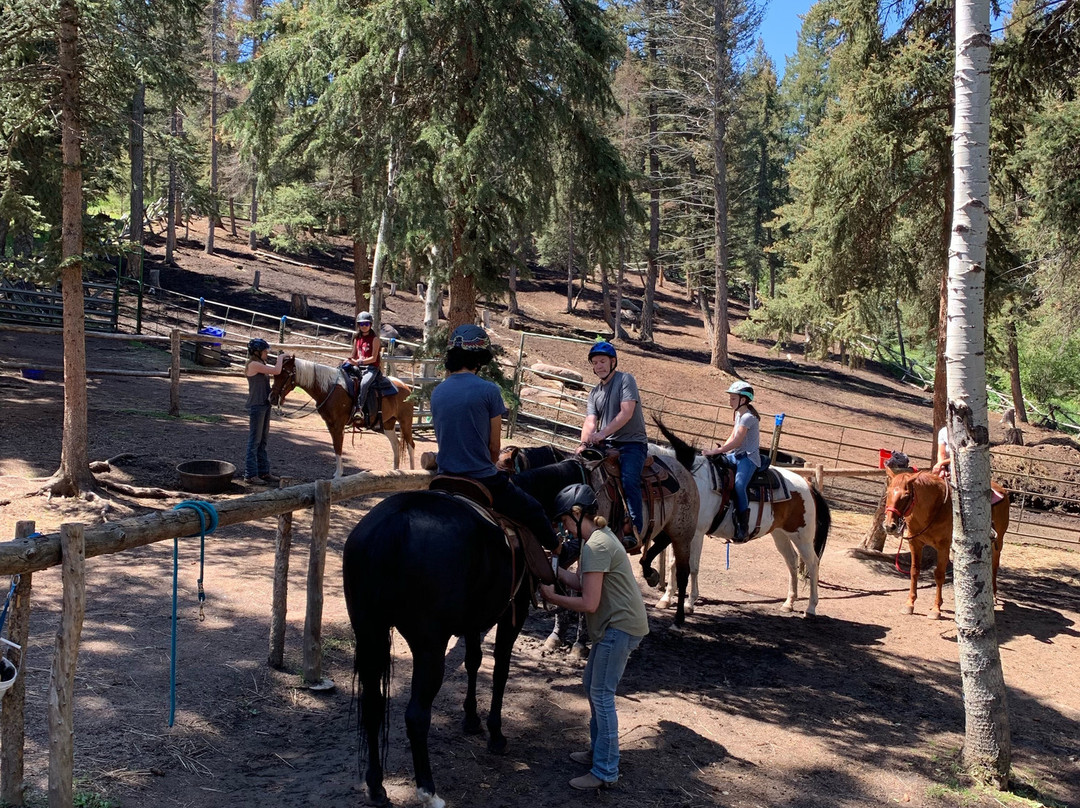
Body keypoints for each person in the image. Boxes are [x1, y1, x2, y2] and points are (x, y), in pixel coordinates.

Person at [539, 483, 648, 791]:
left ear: (577, 514)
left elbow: (589, 603)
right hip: (615, 626)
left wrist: (553, 597)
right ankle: (599, 752)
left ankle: (605, 770)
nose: (563, 528)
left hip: (620, 628)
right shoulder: (598, 539)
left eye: (564, 521)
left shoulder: (596, 545)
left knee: (601, 695)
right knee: (592, 687)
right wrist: (556, 573)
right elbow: (583, 582)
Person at [429, 324, 560, 553]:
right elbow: (493, 447)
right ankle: (559, 550)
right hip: (481, 479)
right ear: (479, 358)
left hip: (443, 477)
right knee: (534, 510)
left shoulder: (438, 392)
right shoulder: (489, 391)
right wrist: (489, 463)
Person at [579, 341, 648, 545]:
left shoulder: (626, 380)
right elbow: (590, 421)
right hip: (607, 444)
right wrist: (584, 443)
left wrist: (601, 434)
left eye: (602, 361)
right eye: (595, 363)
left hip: (632, 443)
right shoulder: (594, 393)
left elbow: (626, 413)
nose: (599, 366)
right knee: (582, 471)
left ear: (613, 362)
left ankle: (635, 529)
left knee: (629, 480)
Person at [702, 380, 760, 541]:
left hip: (748, 458)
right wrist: (720, 452)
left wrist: (717, 450)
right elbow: (732, 437)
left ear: (744, 400)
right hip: (735, 456)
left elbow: (738, 442)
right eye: (731, 398)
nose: (730, 401)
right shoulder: (739, 414)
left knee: (740, 485)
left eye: (733, 398)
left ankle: (743, 526)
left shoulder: (748, 417)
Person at [243, 337, 284, 485]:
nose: (267, 354)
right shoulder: (254, 365)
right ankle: (251, 474)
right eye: (265, 351)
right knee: (255, 441)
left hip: (264, 405)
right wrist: (280, 357)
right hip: (257, 405)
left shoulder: (260, 363)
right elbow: (277, 370)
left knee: (262, 441)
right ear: (257, 352)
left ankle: (264, 472)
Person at [344, 311, 381, 422]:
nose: (364, 326)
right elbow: (353, 354)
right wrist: (349, 361)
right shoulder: (357, 339)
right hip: (358, 367)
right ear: (358, 325)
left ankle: (359, 409)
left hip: (371, 368)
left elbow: (374, 358)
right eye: (361, 324)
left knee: (364, 384)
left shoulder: (375, 339)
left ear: (370, 325)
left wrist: (359, 362)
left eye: (366, 324)